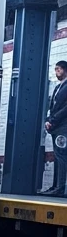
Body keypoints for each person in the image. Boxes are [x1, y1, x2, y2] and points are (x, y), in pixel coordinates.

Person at [42, 60, 67, 196]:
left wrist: (53, 120)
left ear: (65, 70)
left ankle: (60, 188)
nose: (56, 72)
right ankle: (54, 186)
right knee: (57, 156)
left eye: (58, 69)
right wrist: (48, 120)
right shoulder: (58, 87)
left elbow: (65, 109)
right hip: (55, 127)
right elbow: (52, 107)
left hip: (63, 127)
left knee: (61, 157)